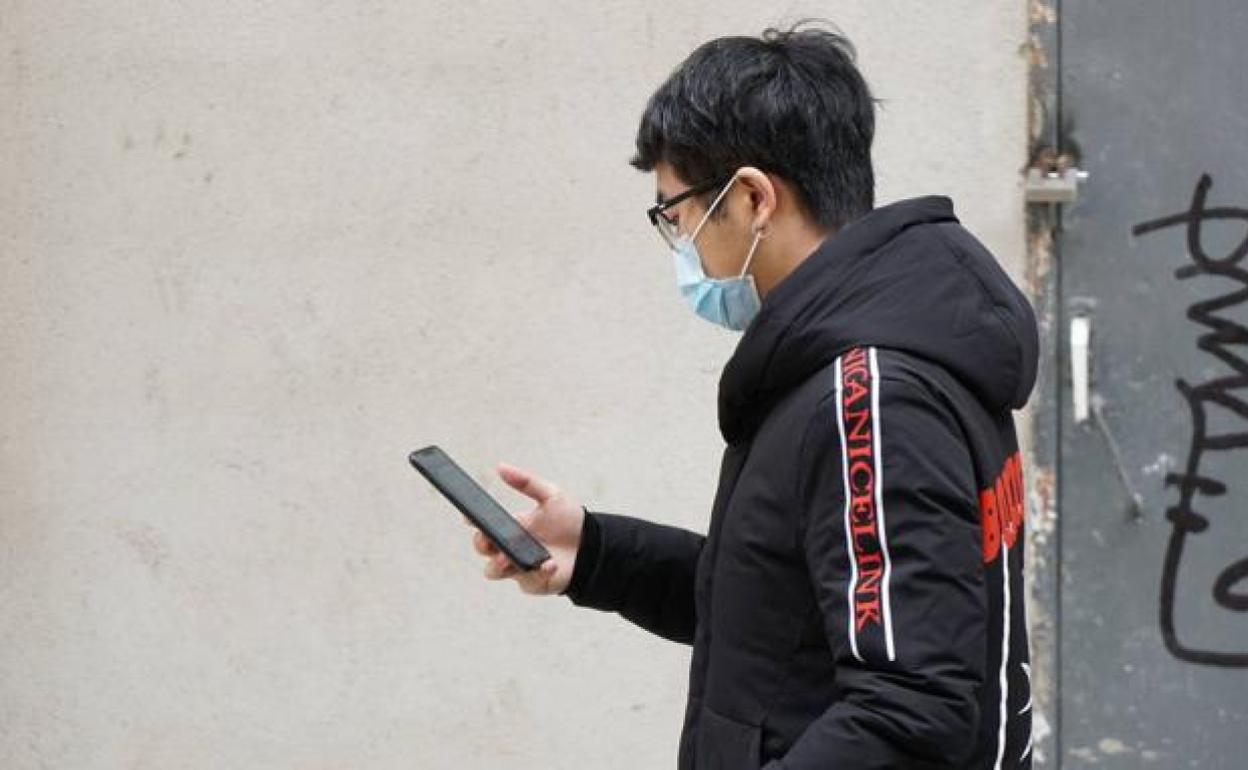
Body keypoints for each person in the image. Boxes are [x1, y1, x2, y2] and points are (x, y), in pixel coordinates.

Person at [469, 20, 1038, 770]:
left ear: (751, 198)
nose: (682, 247)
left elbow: (910, 710)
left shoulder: (870, 395)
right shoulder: (861, 359)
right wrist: (597, 554)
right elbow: (785, 613)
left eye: (676, 216)